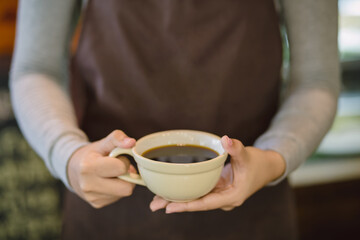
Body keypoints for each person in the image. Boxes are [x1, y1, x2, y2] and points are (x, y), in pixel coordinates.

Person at [10, 0, 340, 239]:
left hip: (252, 211)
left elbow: (316, 80)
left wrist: (272, 159)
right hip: (109, 215)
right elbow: (36, 69)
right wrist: (67, 154)